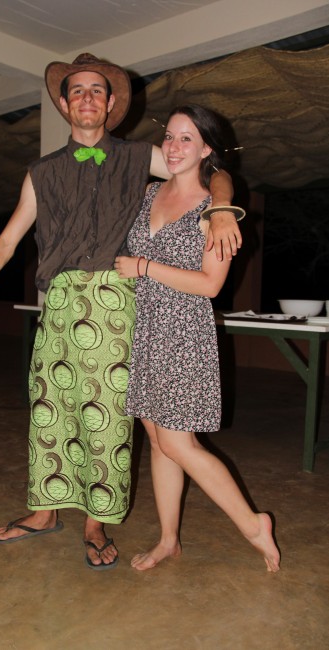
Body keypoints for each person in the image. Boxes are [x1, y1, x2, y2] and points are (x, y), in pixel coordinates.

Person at [0, 54, 243, 571]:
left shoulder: (140, 156)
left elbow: (208, 167)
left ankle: (95, 523)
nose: (88, 98)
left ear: (111, 102)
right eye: (77, 91)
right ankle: (45, 511)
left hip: (115, 303)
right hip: (58, 301)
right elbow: (7, 241)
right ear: (64, 103)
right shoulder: (41, 172)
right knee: (49, 411)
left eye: (98, 90)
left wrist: (223, 208)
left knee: (106, 420)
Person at [114, 104, 280, 573]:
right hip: (144, 328)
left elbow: (210, 285)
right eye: (169, 136)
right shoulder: (149, 192)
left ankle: (253, 523)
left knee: (179, 444)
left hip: (182, 334)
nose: (173, 146)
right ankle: (168, 539)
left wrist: (144, 266)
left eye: (187, 138)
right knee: (158, 440)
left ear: (206, 149)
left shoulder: (215, 209)